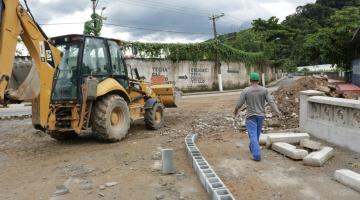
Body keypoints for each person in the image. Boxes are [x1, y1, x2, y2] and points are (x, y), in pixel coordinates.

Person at [234, 72, 281, 161]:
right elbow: (271, 102)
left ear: (250, 80)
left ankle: (256, 155)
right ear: (258, 81)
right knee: (256, 135)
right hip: (260, 116)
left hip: (251, 117)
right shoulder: (264, 90)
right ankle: (252, 148)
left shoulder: (246, 90)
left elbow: (239, 104)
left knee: (253, 135)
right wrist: (277, 111)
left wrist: (235, 110)